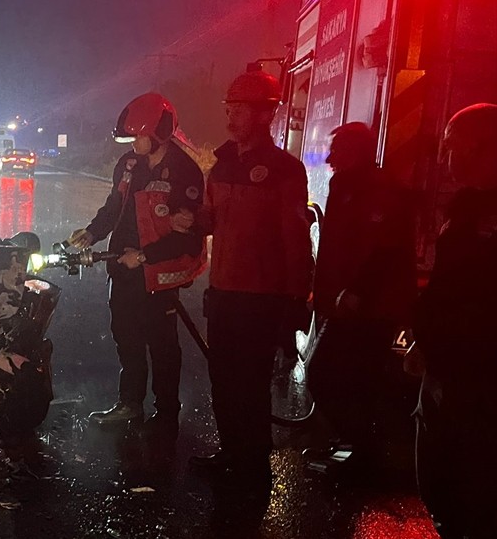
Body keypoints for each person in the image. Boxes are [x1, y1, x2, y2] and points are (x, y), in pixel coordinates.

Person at [391, 103, 497, 539]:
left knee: (480, 495)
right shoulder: (468, 208)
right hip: (448, 374)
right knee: (441, 480)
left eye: (457, 145)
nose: (447, 157)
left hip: (480, 381)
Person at [191, 66, 312, 484]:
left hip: (261, 298)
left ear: (264, 114)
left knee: (251, 384)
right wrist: (188, 221)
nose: (231, 117)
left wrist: (296, 301)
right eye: (230, 108)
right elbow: (210, 220)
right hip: (223, 293)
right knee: (222, 380)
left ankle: (253, 465)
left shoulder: (284, 170)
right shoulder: (221, 166)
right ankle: (232, 453)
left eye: (240, 109)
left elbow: (296, 240)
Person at [68, 93, 206, 441]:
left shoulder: (184, 172)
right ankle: (129, 402)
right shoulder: (128, 165)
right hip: (124, 270)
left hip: (158, 274)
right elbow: (114, 207)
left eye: (138, 136)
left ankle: (166, 411)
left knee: (162, 345)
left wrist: (144, 256)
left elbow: (189, 236)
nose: (133, 143)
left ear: (158, 133)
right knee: (126, 337)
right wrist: (92, 233)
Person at [306, 122, 417, 470]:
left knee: (328, 373)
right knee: (347, 377)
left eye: (337, 150)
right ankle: (351, 447)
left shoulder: (380, 191)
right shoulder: (349, 186)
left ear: (356, 152)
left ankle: (359, 451)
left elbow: (384, 251)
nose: (328, 158)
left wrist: (355, 293)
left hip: (370, 307)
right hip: (348, 304)